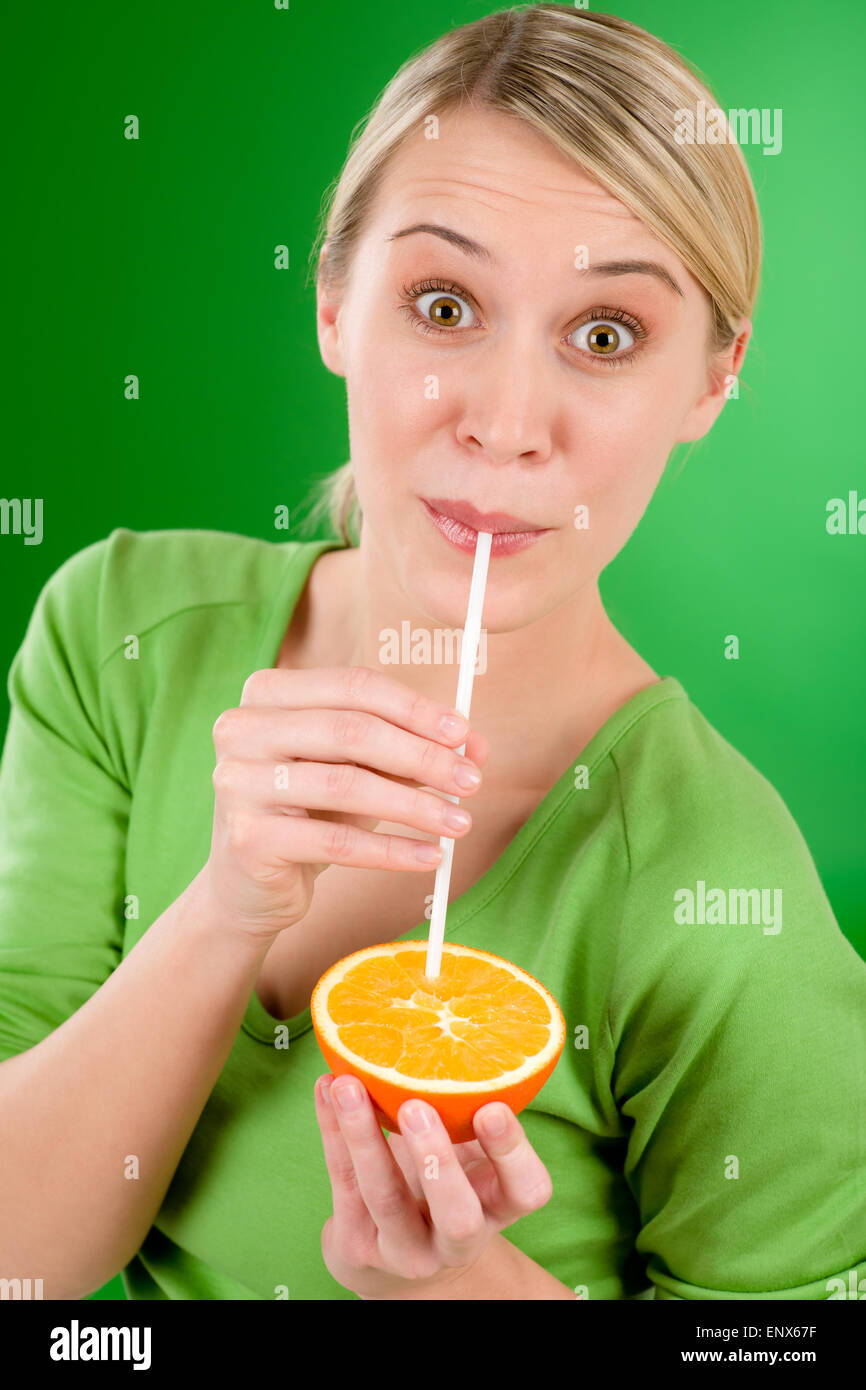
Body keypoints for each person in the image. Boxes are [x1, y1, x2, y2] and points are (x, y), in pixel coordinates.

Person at [1, 4, 864, 1302]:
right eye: (444, 302)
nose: (506, 423)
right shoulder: (119, 632)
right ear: (336, 305)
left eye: (605, 332)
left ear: (710, 378)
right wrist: (226, 905)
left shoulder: (720, 889)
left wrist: (449, 1282)